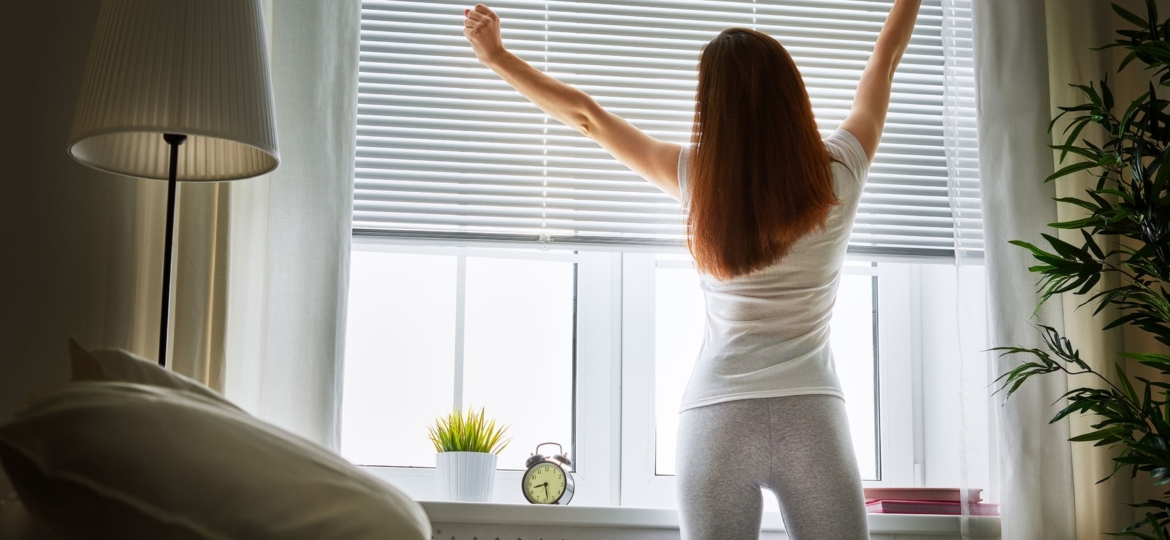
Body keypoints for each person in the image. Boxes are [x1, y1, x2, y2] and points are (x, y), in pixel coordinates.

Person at [463, 2, 922, 538]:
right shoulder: (841, 168)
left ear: (712, 109)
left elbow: (587, 117)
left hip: (716, 417)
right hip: (813, 414)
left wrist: (496, 56)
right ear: (792, 96)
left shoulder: (697, 177)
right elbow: (883, 60)